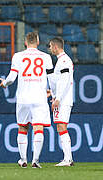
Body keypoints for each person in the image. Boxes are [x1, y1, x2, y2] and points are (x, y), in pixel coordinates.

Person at [0, 32, 54, 168]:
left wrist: (4, 83)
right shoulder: (46, 57)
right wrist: (53, 93)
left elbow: (12, 78)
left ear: (25, 42)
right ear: (38, 41)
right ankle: (35, 161)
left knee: (22, 128)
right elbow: (52, 79)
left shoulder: (18, 56)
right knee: (38, 128)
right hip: (39, 98)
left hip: (23, 98)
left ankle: (23, 160)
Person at [48, 37, 74, 166]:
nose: (49, 49)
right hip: (63, 98)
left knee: (62, 126)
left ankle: (68, 159)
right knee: (60, 126)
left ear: (55, 47)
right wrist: (52, 93)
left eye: (50, 46)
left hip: (63, 100)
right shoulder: (62, 60)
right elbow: (61, 81)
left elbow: (64, 80)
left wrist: (57, 98)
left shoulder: (63, 60)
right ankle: (68, 158)